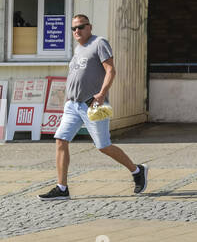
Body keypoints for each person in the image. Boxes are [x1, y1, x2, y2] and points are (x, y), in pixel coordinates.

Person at [39, 13, 147, 200]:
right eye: (74, 28)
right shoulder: (78, 49)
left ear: (90, 27)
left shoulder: (99, 43)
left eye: (81, 27)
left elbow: (111, 70)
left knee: (103, 146)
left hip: (92, 104)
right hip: (72, 105)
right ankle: (62, 188)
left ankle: (137, 171)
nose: (77, 31)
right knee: (60, 140)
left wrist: (102, 93)